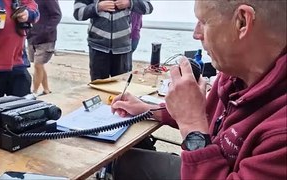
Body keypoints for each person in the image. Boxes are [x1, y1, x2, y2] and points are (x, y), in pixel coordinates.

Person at [110, 0, 287, 179]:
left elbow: (197, 121)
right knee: (122, 161)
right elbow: (209, 117)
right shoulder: (236, 73)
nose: (196, 34)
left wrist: (191, 125)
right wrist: (148, 110)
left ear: (242, 21)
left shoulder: (281, 133)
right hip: (209, 165)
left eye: (203, 22)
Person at [73, 0, 153, 81]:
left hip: (123, 49)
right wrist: (97, 7)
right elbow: (78, 13)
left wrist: (129, 3)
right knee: (98, 89)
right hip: (97, 48)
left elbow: (148, 7)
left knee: (121, 89)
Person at [27, 0, 62, 96]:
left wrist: (45, 30)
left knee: (38, 65)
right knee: (39, 65)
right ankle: (46, 89)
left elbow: (57, 15)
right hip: (32, 37)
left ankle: (34, 92)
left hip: (46, 39)